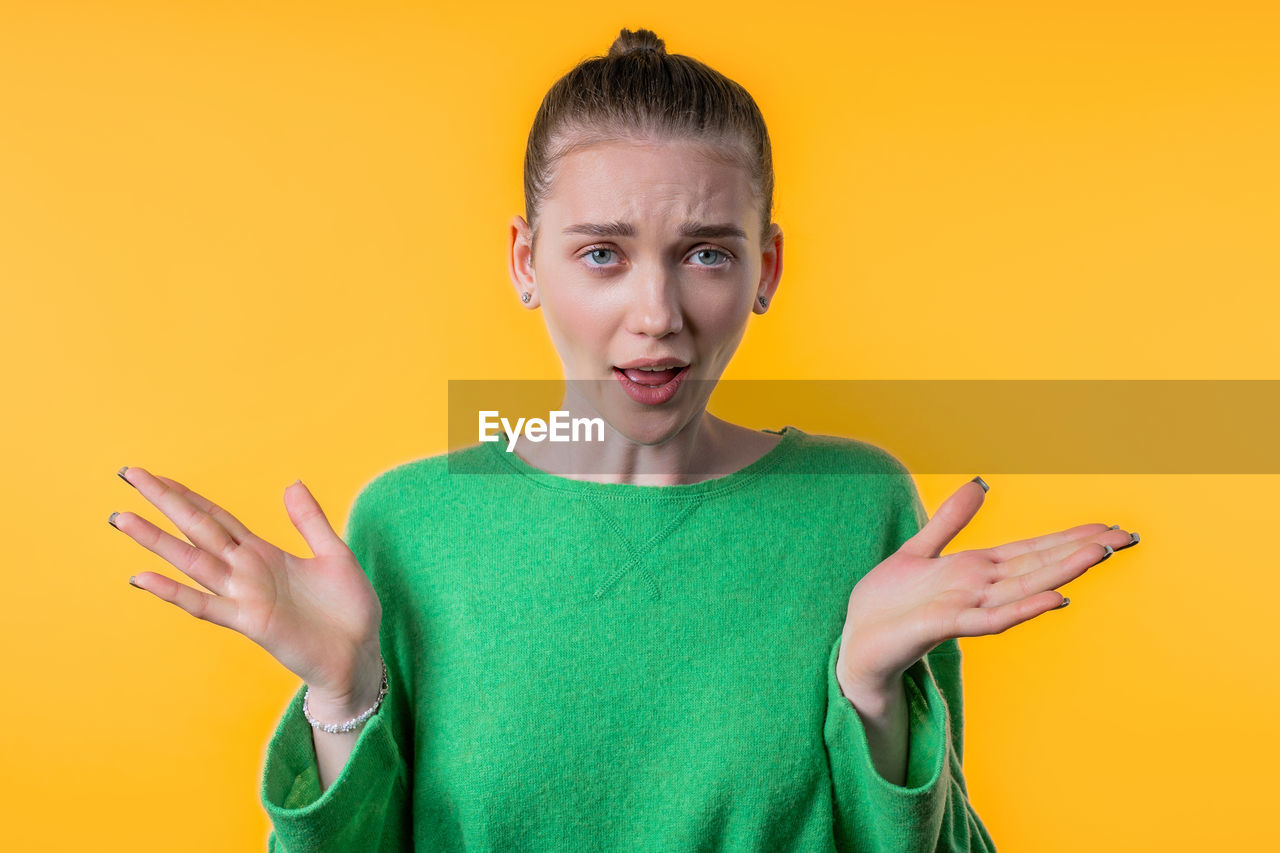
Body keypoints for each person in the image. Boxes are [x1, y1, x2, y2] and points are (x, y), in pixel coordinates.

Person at [111, 27, 1140, 852]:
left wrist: (869, 697)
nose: (656, 313)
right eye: (601, 253)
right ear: (525, 260)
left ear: (765, 267)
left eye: (703, 252)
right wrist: (342, 695)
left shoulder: (857, 504)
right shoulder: (409, 524)